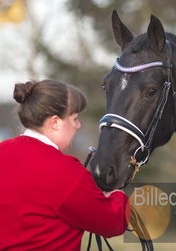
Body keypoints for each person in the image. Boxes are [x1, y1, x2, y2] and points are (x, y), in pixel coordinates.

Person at [0, 80, 129, 250]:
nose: (78, 125)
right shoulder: (64, 171)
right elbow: (112, 222)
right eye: (74, 118)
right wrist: (117, 196)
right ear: (55, 122)